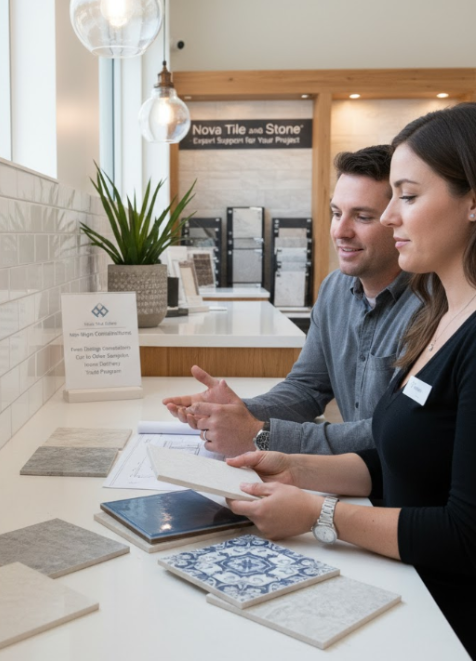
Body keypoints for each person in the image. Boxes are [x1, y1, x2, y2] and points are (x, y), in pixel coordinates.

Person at [225, 103, 476, 655]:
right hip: (405, 582)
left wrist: (321, 515)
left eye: (406, 197)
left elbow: (464, 535)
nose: (389, 217)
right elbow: (404, 456)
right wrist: (290, 464)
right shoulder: (440, 318)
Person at [163, 145, 422, 457]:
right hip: (350, 479)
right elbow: (306, 389)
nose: (340, 231)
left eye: (363, 217)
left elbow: (393, 432)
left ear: (399, 220)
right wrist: (237, 411)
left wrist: (261, 434)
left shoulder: (433, 308)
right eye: (337, 213)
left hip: (393, 491)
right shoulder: (334, 290)